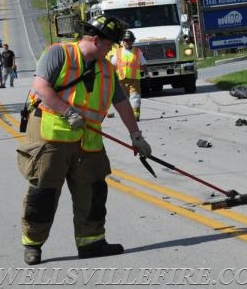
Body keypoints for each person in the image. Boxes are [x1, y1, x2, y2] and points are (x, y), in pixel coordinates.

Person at [16, 15, 153, 265]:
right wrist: (66, 111)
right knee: (44, 193)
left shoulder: (107, 69)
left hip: (88, 140)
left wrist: (136, 136)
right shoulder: (59, 54)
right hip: (52, 135)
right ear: (96, 40)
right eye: (109, 44)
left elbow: (121, 103)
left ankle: (92, 243)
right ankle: (33, 244)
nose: (112, 49)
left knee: (93, 192)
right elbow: (40, 87)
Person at [110, 30, 148, 121]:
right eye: (126, 40)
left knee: (135, 97)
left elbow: (143, 64)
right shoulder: (118, 52)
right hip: (121, 80)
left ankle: (135, 115)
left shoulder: (137, 51)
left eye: (130, 40)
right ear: (122, 42)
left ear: (133, 41)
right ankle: (127, 116)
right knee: (124, 99)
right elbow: (112, 65)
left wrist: (147, 74)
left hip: (134, 79)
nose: (128, 42)